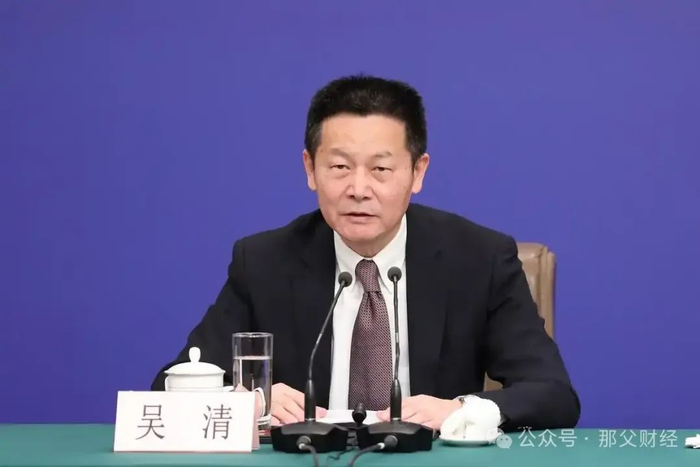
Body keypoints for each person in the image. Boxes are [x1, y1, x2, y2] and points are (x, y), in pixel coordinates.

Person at [151, 74, 580, 432]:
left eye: (380, 169)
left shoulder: (479, 259)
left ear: (417, 172)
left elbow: (553, 394)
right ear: (310, 169)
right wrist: (249, 402)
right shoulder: (264, 262)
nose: (358, 189)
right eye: (340, 167)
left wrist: (461, 410)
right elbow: (169, 388)